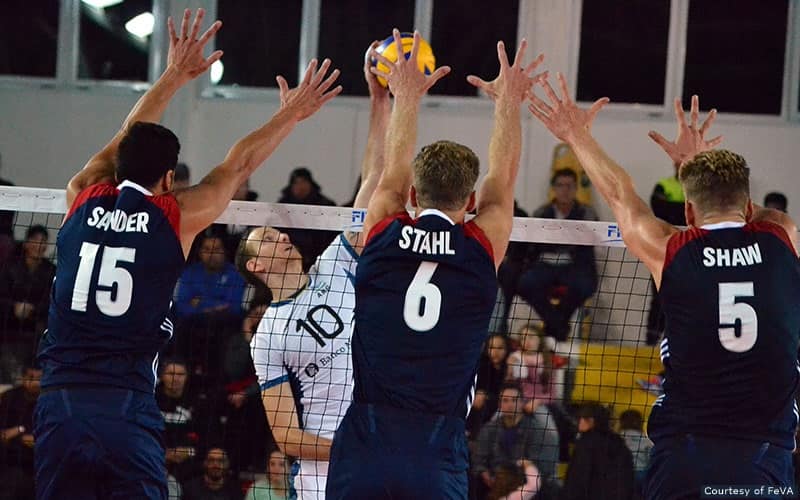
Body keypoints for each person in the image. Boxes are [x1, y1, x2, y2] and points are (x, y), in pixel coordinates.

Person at [33, 9, 342, 499]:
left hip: (60, 399)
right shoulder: (174, 216)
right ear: (169, 178)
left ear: (117, 166)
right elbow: (238, 164)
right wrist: (292, 112)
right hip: (125, 405)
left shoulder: (81, 193)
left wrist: (173, 74)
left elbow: (127, 133)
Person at [529, 74, 800, 498]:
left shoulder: (669, 250)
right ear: (748, 206)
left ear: (688, 211)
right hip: (764, 456)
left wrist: (575, 135)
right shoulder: (781, 238)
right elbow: (766, 217)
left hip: (685, 454)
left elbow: (620, 193)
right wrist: (705, 164)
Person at [326, 31, 544, 499]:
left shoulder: (381, 229)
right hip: (435, 443)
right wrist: (508, 102)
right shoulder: (482, 246)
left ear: (410, 196)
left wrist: (404, 96)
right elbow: (502, 178)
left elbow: (393, 165)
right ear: (469, 201)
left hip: (366, 434)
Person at [236, 40, 390, 500]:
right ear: (257, 265)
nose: (282, 235)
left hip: (381, 454)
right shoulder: (268, 334)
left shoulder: (334, 264)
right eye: (269, 238)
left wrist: (380, 102)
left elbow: (374, 180)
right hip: (328, 475)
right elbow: (287, 436)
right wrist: (350, 450)